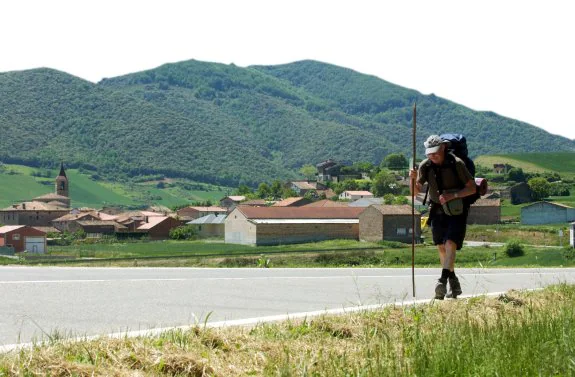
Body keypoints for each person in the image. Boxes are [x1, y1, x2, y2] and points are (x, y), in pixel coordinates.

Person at [410, 135, 477, 299]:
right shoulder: (426, 166)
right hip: (437, 209)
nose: (432, 156)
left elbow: (472, 188)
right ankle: (453, 281)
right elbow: (414, 192)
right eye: (429, 154)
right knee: (441, 246)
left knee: (450, 243)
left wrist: (452, 195)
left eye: (435, 153)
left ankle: (442, 281)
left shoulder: (457, 164)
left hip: (457, 209)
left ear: (443, 149)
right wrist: (411, 180)